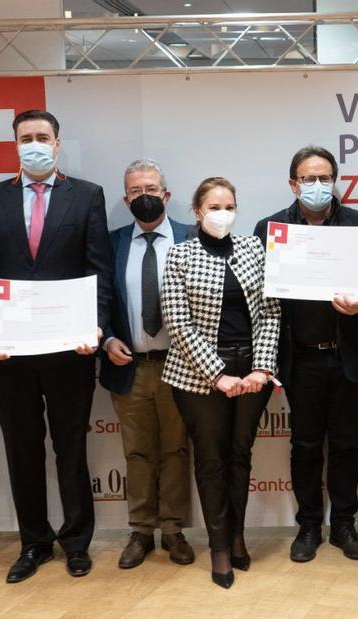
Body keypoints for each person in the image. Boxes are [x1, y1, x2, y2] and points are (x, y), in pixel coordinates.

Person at [0, 109, 113, 583]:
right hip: (9, 353)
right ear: (15, 146)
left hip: (71, 351)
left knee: (70, 447)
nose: (34, 144)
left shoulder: (87, 195)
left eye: (42, 137)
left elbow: (99, 271)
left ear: (57, 142)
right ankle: (33, 543)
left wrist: (96, 326)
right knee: (21, 448)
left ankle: (76, 543)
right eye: (25, 138)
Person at [253, 146, 358, 563]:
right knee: (305, 445)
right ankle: (309, 524)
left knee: (347, 444)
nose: (317, 186)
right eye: (308, 179)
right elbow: (263, 301)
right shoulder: (270, 228)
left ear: (335, 181)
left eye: (325, 178)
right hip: (300, 358)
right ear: (293, 183)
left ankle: (344, 523)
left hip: (348, 357)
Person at [162, 177, 280, 589]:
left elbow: (271, 313)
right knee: (211, 459)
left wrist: (261, 369)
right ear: (197, 212)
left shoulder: (253, 249)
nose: (222, 214)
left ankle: (238, 535)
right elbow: (178, 324)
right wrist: (217, 374)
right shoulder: (179, 256)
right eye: (214, 207)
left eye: (229, 206)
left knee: (240, 455)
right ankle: (218, 546)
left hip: (252, 371)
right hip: (198, 376)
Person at [99, 159, 196, 569]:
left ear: (167, 195)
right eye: (136, 191)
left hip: (182, 366)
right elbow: (99, 297)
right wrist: (105, 339)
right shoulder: (111, 242)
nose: (145, 197)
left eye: (151, 189)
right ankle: (140, 530)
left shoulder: (193, 239)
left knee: (176, 450)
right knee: (137, 452)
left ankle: (174, 530)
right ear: (126, 198)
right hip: (130, 365)